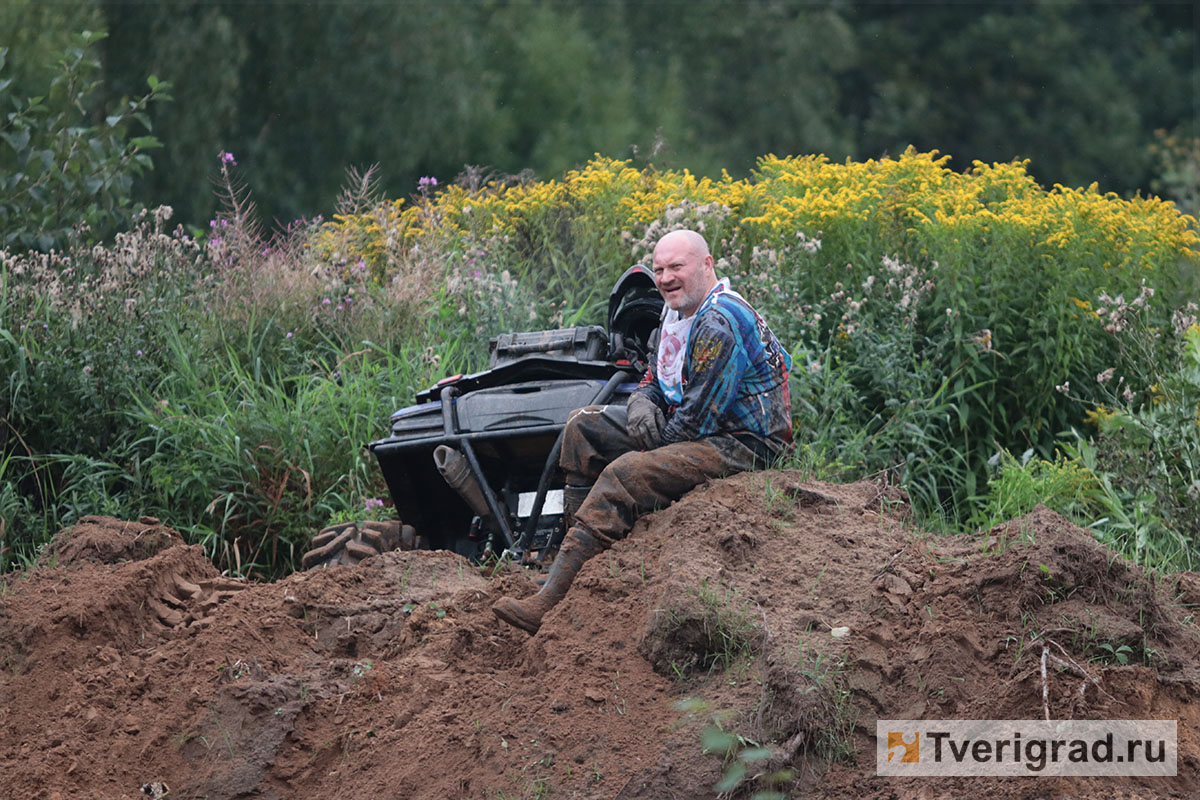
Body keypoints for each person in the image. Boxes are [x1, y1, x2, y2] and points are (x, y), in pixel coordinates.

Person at [491, 229, 793, 634]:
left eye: (677, 267)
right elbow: (654, 376)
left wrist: (650, 444)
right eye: (660, 269)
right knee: (584, 427)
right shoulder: (677, 311)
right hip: (693, 424)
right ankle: (565, 569)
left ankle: (551, 600)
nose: (666, 278)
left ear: (707, 265)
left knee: (627, 473)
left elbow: (697, 422)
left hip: (744, 442)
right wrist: (641, 403)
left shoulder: (719, 322)